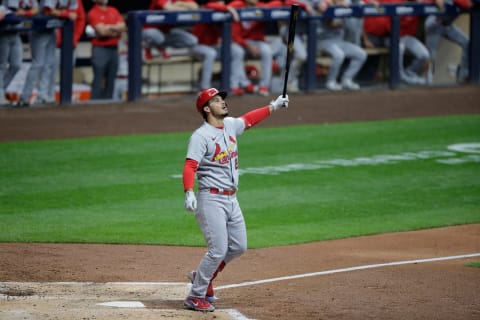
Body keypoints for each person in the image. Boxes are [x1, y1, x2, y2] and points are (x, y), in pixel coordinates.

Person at [182, 87, 289, 312]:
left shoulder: (229, 125)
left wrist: (274, 105)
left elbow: (249, 120)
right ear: (206, 108)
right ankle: (195, 295)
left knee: (239, 246)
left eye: (222, 99)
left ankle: (204, 276)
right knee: (217, 249)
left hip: (232, 199)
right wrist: (189, 191)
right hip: (211, 199)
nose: (222, 102)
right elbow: (190, 165)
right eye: (217, 100)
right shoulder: (200, 136)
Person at [230, 0, 285, 96]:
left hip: (256, 42)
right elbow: (234, 35)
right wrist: (248, 46)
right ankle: (242, 85)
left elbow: (279, 3)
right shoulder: (238, 4)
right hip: (238, 41)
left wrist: (264, 8)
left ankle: (264, 86)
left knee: (267, 50)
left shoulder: (260, 6)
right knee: (237, 52)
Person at [311, 0, 367, 91]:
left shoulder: (345, 3)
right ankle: (331, 81)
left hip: (339, 41)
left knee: (361, 54)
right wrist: (336, 6)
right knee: (339, 55)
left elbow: (359, 8)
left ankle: (346, 79)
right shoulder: (324, 3)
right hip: (322, 41)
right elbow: (330, 22)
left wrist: (348, 7)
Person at [190, 0, 244, 93]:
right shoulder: (208, 9)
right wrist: (228, 8)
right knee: (210, 54)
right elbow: (209, 4)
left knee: (237, 51)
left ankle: (234, 85)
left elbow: (239, 3)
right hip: (197, 46)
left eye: (222, 2)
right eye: (219, 2)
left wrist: (228, 8)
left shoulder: (223, 13)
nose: (221, 4)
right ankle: (205, 88)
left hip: (213, 46)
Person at [424, 0, 472, 84]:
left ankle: (463, 76)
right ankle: (428, 82)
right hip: (435, 23)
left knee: (467, 43)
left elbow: (467, 4)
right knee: (431, 54)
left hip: (447, 25)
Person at [48, 0, 86, 103]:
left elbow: (80, 19)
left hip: (69, 43)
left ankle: (67, 98)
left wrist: (75, 38)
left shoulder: (77, 1)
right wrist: (66, 14)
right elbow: (47, 11)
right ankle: (48, 97)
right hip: (53, 43)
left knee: (68, 72)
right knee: (50, 72)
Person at [87, 0, 126, 100]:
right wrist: (115, 29)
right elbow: (102, 32)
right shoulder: (93, 12)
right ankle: (94, 104)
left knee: (111, 79)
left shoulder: (113, 10)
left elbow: (123, 27)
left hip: (113, 48)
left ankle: (108, 104)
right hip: (100, 49)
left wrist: (109, 27)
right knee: (98, 79)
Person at [0, 0, 24, 106]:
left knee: (16, 65)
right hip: (3, 35)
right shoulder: (2, 7)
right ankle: (0, 95)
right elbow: (14, 18)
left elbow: (16, 17)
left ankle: (1, 89)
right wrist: (13, 14)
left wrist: (20, 13)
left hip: (15, 34)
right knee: (2, 65)